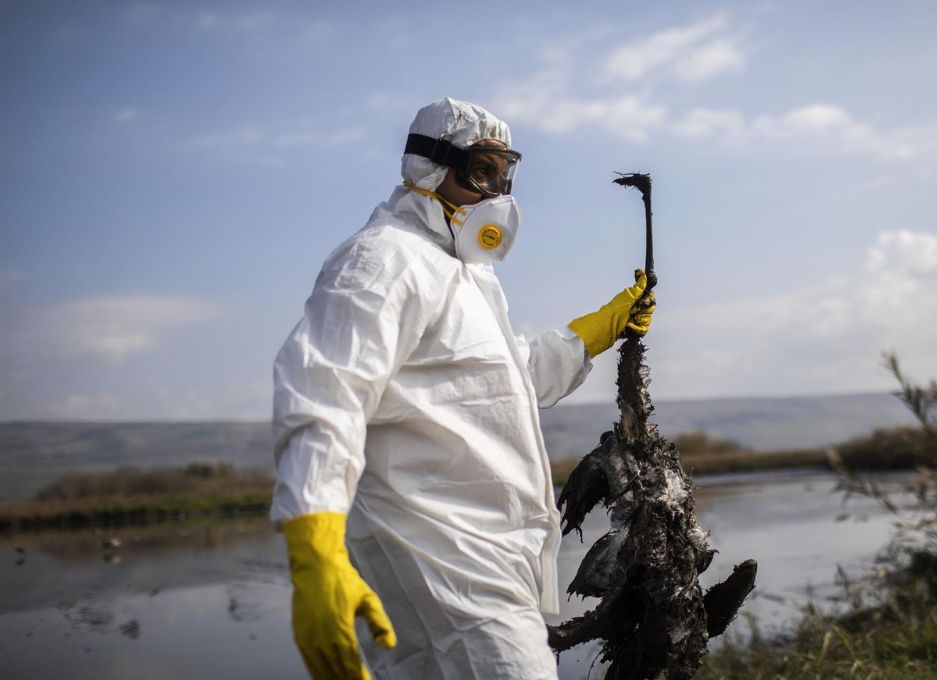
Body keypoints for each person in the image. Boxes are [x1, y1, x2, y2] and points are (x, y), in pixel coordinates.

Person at [270, 97, 655, 680]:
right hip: (441, 565)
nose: (497, 194)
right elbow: (327, 392)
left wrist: (597, 331)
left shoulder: (464, 275)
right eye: (481, 172)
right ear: (428, 168)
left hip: (486, 566)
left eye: (505, 175)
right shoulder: (384, 259)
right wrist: (314, 548)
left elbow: (503, 388)